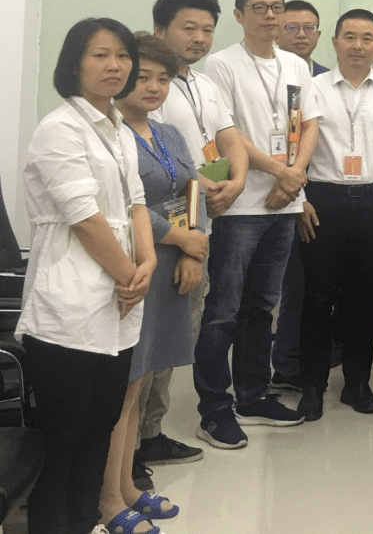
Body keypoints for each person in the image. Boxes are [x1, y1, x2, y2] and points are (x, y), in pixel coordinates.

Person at [18, 19, 153, 534]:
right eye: (100, 55)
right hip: (70, 304)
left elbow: (136, 203)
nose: (114, 66)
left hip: (119, 301)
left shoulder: (117, 126)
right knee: (66, 434)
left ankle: (86, 521)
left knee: (101, 426)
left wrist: (147, 263)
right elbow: (85, 219)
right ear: (74, 63)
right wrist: (131, 275)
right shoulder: (60, 127)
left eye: (122, 55)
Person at [104, 34, 210, 530]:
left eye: (163, 79)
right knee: (123, 388)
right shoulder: (110, 133)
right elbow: (127, 205)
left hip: (174, 267)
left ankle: (126, 485)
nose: (153, 86)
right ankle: (109, 496)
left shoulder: (168, 133)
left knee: (142, 381)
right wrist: (182, 239)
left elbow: (193, 187)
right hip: (136, 266)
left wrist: (192, 248)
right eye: (143, 76)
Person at [199, 0, 310, 448]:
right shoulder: (220, 64)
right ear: (239, 15)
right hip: (240, 205)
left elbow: (308, 124)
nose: (269, 15)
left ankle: (253, 394)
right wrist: (279, 171)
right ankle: (214, 408)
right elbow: (227, 134)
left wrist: (295, 175)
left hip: (286, 202)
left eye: (276, 7)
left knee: (263, 306)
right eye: (259, 7)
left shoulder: (296, 64)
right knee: (223, 310)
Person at [144, 0, 247, 479]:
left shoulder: (203, 84)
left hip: (201, 222)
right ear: (160, 29)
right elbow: (167, 169)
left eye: (207, 29)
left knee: (175, 334)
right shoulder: (149, 90)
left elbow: (227, 140)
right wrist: (202, 190)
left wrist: (235, 181)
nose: (200, 38)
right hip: (167, 227)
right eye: (189, 27)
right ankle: (130, 443)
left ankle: (149, 434)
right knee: (149, 339)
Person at [294, 9, 373, 421]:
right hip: (322, 200)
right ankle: (312, 386)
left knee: (364, 298)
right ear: (334, 42)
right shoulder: (311, 88)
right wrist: (299, 198)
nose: (358, 46)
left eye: (367, 38)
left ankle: (357, 384)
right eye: (350, 37)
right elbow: (294, 148)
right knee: (317, 297)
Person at [278, 0, 328, 75]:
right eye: (292, 28)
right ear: (275, 36)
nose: (301, 34)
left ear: (318, 35)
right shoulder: (262, 74)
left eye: (309, 28)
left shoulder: (330, 78)